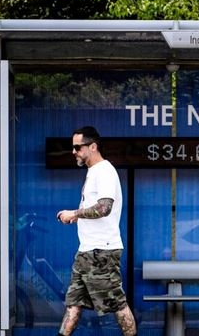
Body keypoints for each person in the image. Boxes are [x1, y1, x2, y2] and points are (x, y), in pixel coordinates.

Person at [56, 126, 137, 336]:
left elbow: (104, 208)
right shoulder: (93, 172)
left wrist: (74, 214)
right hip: (86, 251)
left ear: (93, 146)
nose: (73, 152)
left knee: (118, 306)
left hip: (102, 252)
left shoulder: (105, 171)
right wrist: (79, 218)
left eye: (77, 147)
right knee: (73, 306)